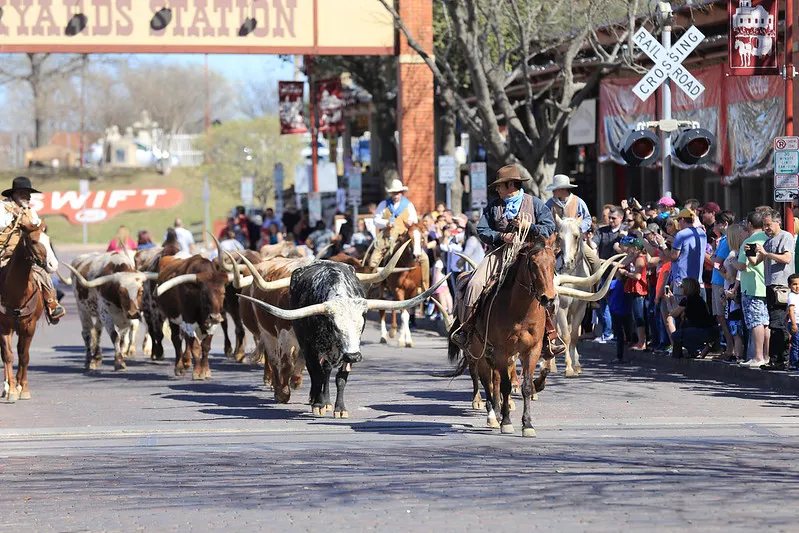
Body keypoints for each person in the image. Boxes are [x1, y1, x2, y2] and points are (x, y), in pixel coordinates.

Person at [451, 164, 563, 357]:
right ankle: (467, 330)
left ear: (511, 184)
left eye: (500, 185)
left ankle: (549, 336)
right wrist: (500, 237)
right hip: (499, 253)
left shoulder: (535, 203)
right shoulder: (494, 206)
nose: (497, 189)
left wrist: (530, 226)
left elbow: (548, 227)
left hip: (529, 256)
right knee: (475, 284)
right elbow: (482, 230)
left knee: (550, 291)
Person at [0, 176, 65, 322]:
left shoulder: (30, 212)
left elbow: (36, 233)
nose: (28, 196)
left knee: (43, 275)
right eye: (23, 193)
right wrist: (15, 217)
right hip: (2, 252)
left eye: (29, 194)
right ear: (14, 194)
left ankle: (51, 304)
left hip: (25, 254)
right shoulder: (2, 208)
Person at [753, 209, 795, 370]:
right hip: (770, 286)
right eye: (764, 225)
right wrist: (751, 253)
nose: (766, 229)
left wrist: (767, 254)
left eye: (768, 225)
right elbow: (757, 261)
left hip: (782, 286)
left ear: (778, 222)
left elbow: (786, 258)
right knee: (773, 323)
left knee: (778, 324)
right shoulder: (768, 241)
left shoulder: (786, 237)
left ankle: (781, 360)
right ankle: (774, 359)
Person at [370, 179, 430, 290]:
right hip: (387, 239)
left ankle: (425, 286)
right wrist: (386, 223)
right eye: (394, 192)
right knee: (373, 260)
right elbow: (375, 220)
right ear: (391, 193)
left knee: (424, 258)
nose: (396, 195)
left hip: (405, 239)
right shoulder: (384, 204)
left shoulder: (408, 205)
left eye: (398, 192)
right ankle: (375, 286)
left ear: (401, 193)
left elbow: (413, 220)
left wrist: (411, 223)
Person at [729, 211, 769, 367]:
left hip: (752, 286)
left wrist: (732, 261)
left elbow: (743, 265)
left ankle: (758, 356)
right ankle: (765, 355)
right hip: (766, 285)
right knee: (765, 322)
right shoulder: (768, 238)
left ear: (750, 225)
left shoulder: (750, 240)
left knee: (756, 322)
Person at [545, 174, 600, 271]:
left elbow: (587, 219)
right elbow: (545, 220)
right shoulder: (549, 204)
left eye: (555, 189)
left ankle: (595, 286)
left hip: (575, 242)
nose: (553, 191)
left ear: (563, 189)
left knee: (595, 262)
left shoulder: (578, 202)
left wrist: (578, 229)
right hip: (556, 242)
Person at [593, 205, 624, 343]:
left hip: (619, 274)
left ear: (621, 218)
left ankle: (617, 334)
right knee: (602, 302)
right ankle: (607, 332)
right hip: (604, 273)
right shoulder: (602, 231)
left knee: (615, 304)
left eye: (613, 218)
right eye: (609, 218)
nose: (610, 220)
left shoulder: (625, 232)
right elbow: (593, 245)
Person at [670, 277, 718, 358]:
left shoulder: (687, 300)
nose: (681, 288)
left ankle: (699, 348)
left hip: (703, 331)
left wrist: (668, 302)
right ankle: (694, 351)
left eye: (683, 286)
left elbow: (674, 314)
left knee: (676, 336)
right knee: (685, 327)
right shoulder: (699, 299)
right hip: (710, 329)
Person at [709, 211, 735, 357]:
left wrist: (710, 256)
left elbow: (716, 262)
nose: (716, 226)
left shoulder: (726, 240)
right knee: (720, 316)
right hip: (717, 280)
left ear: (724, 223)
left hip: (721, 281)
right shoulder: (724, 239)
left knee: (723, 316)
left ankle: (730, 348)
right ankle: (728, 347)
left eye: (717, 223)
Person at [618, 236, 648, 350]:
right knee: (634, 316)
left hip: (639, 290)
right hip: (632, 289)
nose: (627, 250)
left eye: (629, 248)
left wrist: (625, 273)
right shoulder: (633, 257)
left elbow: (637, 276)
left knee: (639, 316)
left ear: (635, 248)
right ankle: (636, 340)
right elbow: (620, 264)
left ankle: (642, 342)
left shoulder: (640, 258)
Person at [607, 271, 631, 363]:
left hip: (615, 310)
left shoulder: (613, 283)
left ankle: (619, 356)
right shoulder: (626, 283)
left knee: (619, 335)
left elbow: (606, 292)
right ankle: (626, 356)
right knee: (627, 333)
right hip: (625, 310)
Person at [787, 274, 799, 370]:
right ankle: (794, 363)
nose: (797, 286)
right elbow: (791, 310)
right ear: (789, 286)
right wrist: (794, 324)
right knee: (796, 344)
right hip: (796, 323)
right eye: (794, 284)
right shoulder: (792, 296)